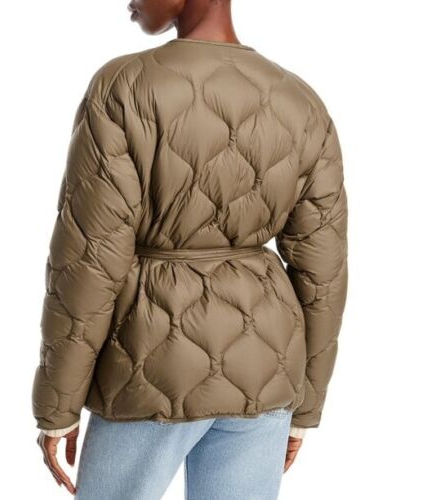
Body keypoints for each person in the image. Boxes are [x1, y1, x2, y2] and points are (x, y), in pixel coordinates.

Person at [32, 0, 348, 498]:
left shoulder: (125, 87)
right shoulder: (301, 101)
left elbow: (90, 260)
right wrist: (307, 406)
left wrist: (58, 405)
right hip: (266, 367)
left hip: (150, 363)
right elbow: (323, 271)